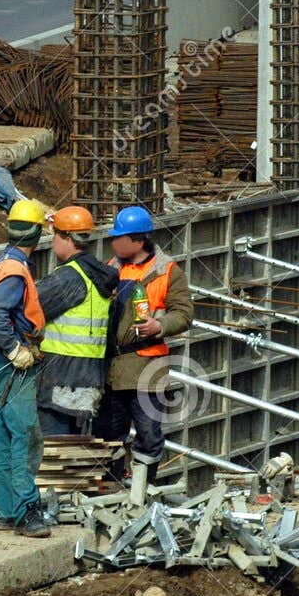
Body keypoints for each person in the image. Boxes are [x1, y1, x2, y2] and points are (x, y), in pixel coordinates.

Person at [0, 199, 51, 537]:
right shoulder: (17, 272)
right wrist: (14, 348)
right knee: (26, 436)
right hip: (15, 364)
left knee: (4, 435)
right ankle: (27, 513)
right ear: (36, 235)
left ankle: (5, 510)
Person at [98, 205, 194, 479]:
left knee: (148, 434)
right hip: (113, 370)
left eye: (118, 237)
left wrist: (159, 326)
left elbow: (184, 313)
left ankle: (143, 494)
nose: (113, 242)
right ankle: (112, 487)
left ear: (138, 240)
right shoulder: (110, 269)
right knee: (110, 434)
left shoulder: (167, 271)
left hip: (147, 368)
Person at [34, 205, 117, 436]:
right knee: (75, 455)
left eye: (55, 236)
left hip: (60, 376)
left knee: (53, 454)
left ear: (67, 237)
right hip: (90, 378)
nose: (52, 244)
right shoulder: (97, 276)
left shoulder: (69, 277)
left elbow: (31, 308)